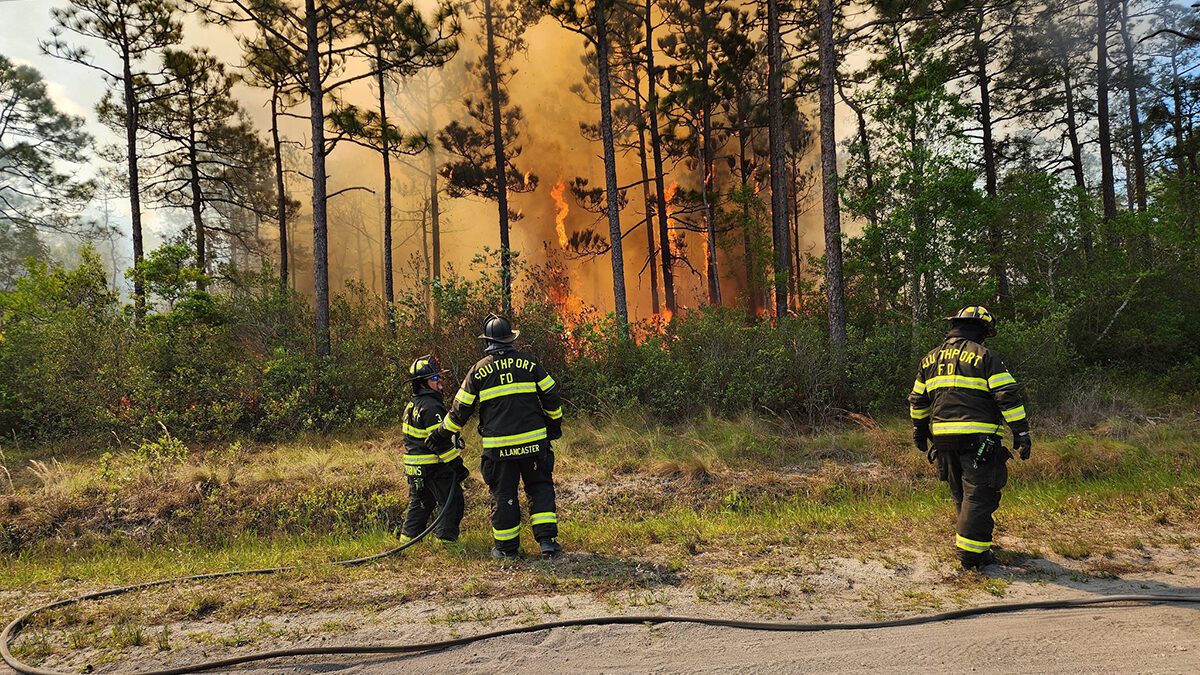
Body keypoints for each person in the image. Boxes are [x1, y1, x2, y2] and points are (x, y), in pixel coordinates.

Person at [908, 306, 1032, 571]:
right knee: (979, 494)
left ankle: (974, 544)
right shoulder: (986, 356)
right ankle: (971, 556)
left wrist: (919, 429)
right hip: (979, 439)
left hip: (942, 439)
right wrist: (1021, 431)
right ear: (982, 331)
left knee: (961, 494)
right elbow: (1006, 396)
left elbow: (918, 399)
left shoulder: (930, 359)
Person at [432, 314, 564, 559]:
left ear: (489, 342)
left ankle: (506, 550)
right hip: (534, 444)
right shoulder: (530, 362)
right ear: (510, 339)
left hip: (500, 449)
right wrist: (553, 424)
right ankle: (547, 543)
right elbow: (551, 395)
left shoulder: (478, 370)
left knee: (504, 495)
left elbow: (460, 410)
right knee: (540, 487)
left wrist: (441, 433)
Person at [399, 355, 468, 547]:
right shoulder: (431, 406)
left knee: (421, 504)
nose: (440, 383)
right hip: (434, 466)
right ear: (423, 383)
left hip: (415, 467)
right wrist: (457, 466)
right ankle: (446, 543)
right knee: (452, 502)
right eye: (435, 379)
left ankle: (407, 541)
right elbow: (439, 443)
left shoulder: (412, 405)